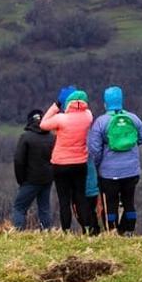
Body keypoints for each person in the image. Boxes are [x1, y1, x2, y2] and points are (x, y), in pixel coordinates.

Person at [87, 86, 142, 235]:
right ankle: (128, 231)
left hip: (109, 173)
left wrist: (98, 165)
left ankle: (112, 231)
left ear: (105, 103)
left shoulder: (101, 122)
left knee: (110, 203)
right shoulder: (133, 119)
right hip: (131, 171)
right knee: (129, 202)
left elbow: (95, 149)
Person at [39, 87, 99, 235]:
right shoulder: (88, 116)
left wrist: (57, 104)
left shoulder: (61, 119)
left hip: (60, 164)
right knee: (80, 197)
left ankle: (66, 230)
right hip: (80, 163)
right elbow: (84, 110)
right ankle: (87, 228)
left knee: (64, 200)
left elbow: (43, 124)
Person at [12, 109, 55, 230]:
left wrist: (21, 180)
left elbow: (18, 160)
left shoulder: (26, 137)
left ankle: (19, 232)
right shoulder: (52, 138)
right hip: (47, 179)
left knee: (19, 207)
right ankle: (46, 231)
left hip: (30, 180)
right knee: (44, 209)